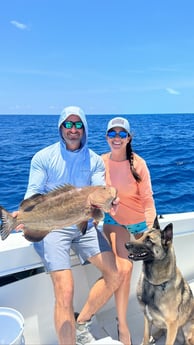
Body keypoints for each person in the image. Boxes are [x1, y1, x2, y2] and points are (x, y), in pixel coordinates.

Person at [14, 106, 121, 345]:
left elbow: (97, 190)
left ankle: (82, 323)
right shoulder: (43, 157)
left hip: (83, 222)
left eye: (78, 125)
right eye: (68, 124)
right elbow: (34, 192)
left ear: (84, 129)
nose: (73, 130)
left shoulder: (94, 160)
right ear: (61, 127)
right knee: (65, 292)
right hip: (53, 226)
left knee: (115, 275)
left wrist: (108, 202)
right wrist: (26, 216)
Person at [102, 117, 157, 345]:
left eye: (121, 134)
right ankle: (123, 326)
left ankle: (160, 318)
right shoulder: (99, 162)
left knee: (155, 273)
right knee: (124, 269)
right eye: (112, 133)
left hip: (140, 224)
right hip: (114, 222)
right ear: (106, 137)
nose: (117, 137)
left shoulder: (138, 164)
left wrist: (148, 230)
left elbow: (148, 201)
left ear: (128, 138)